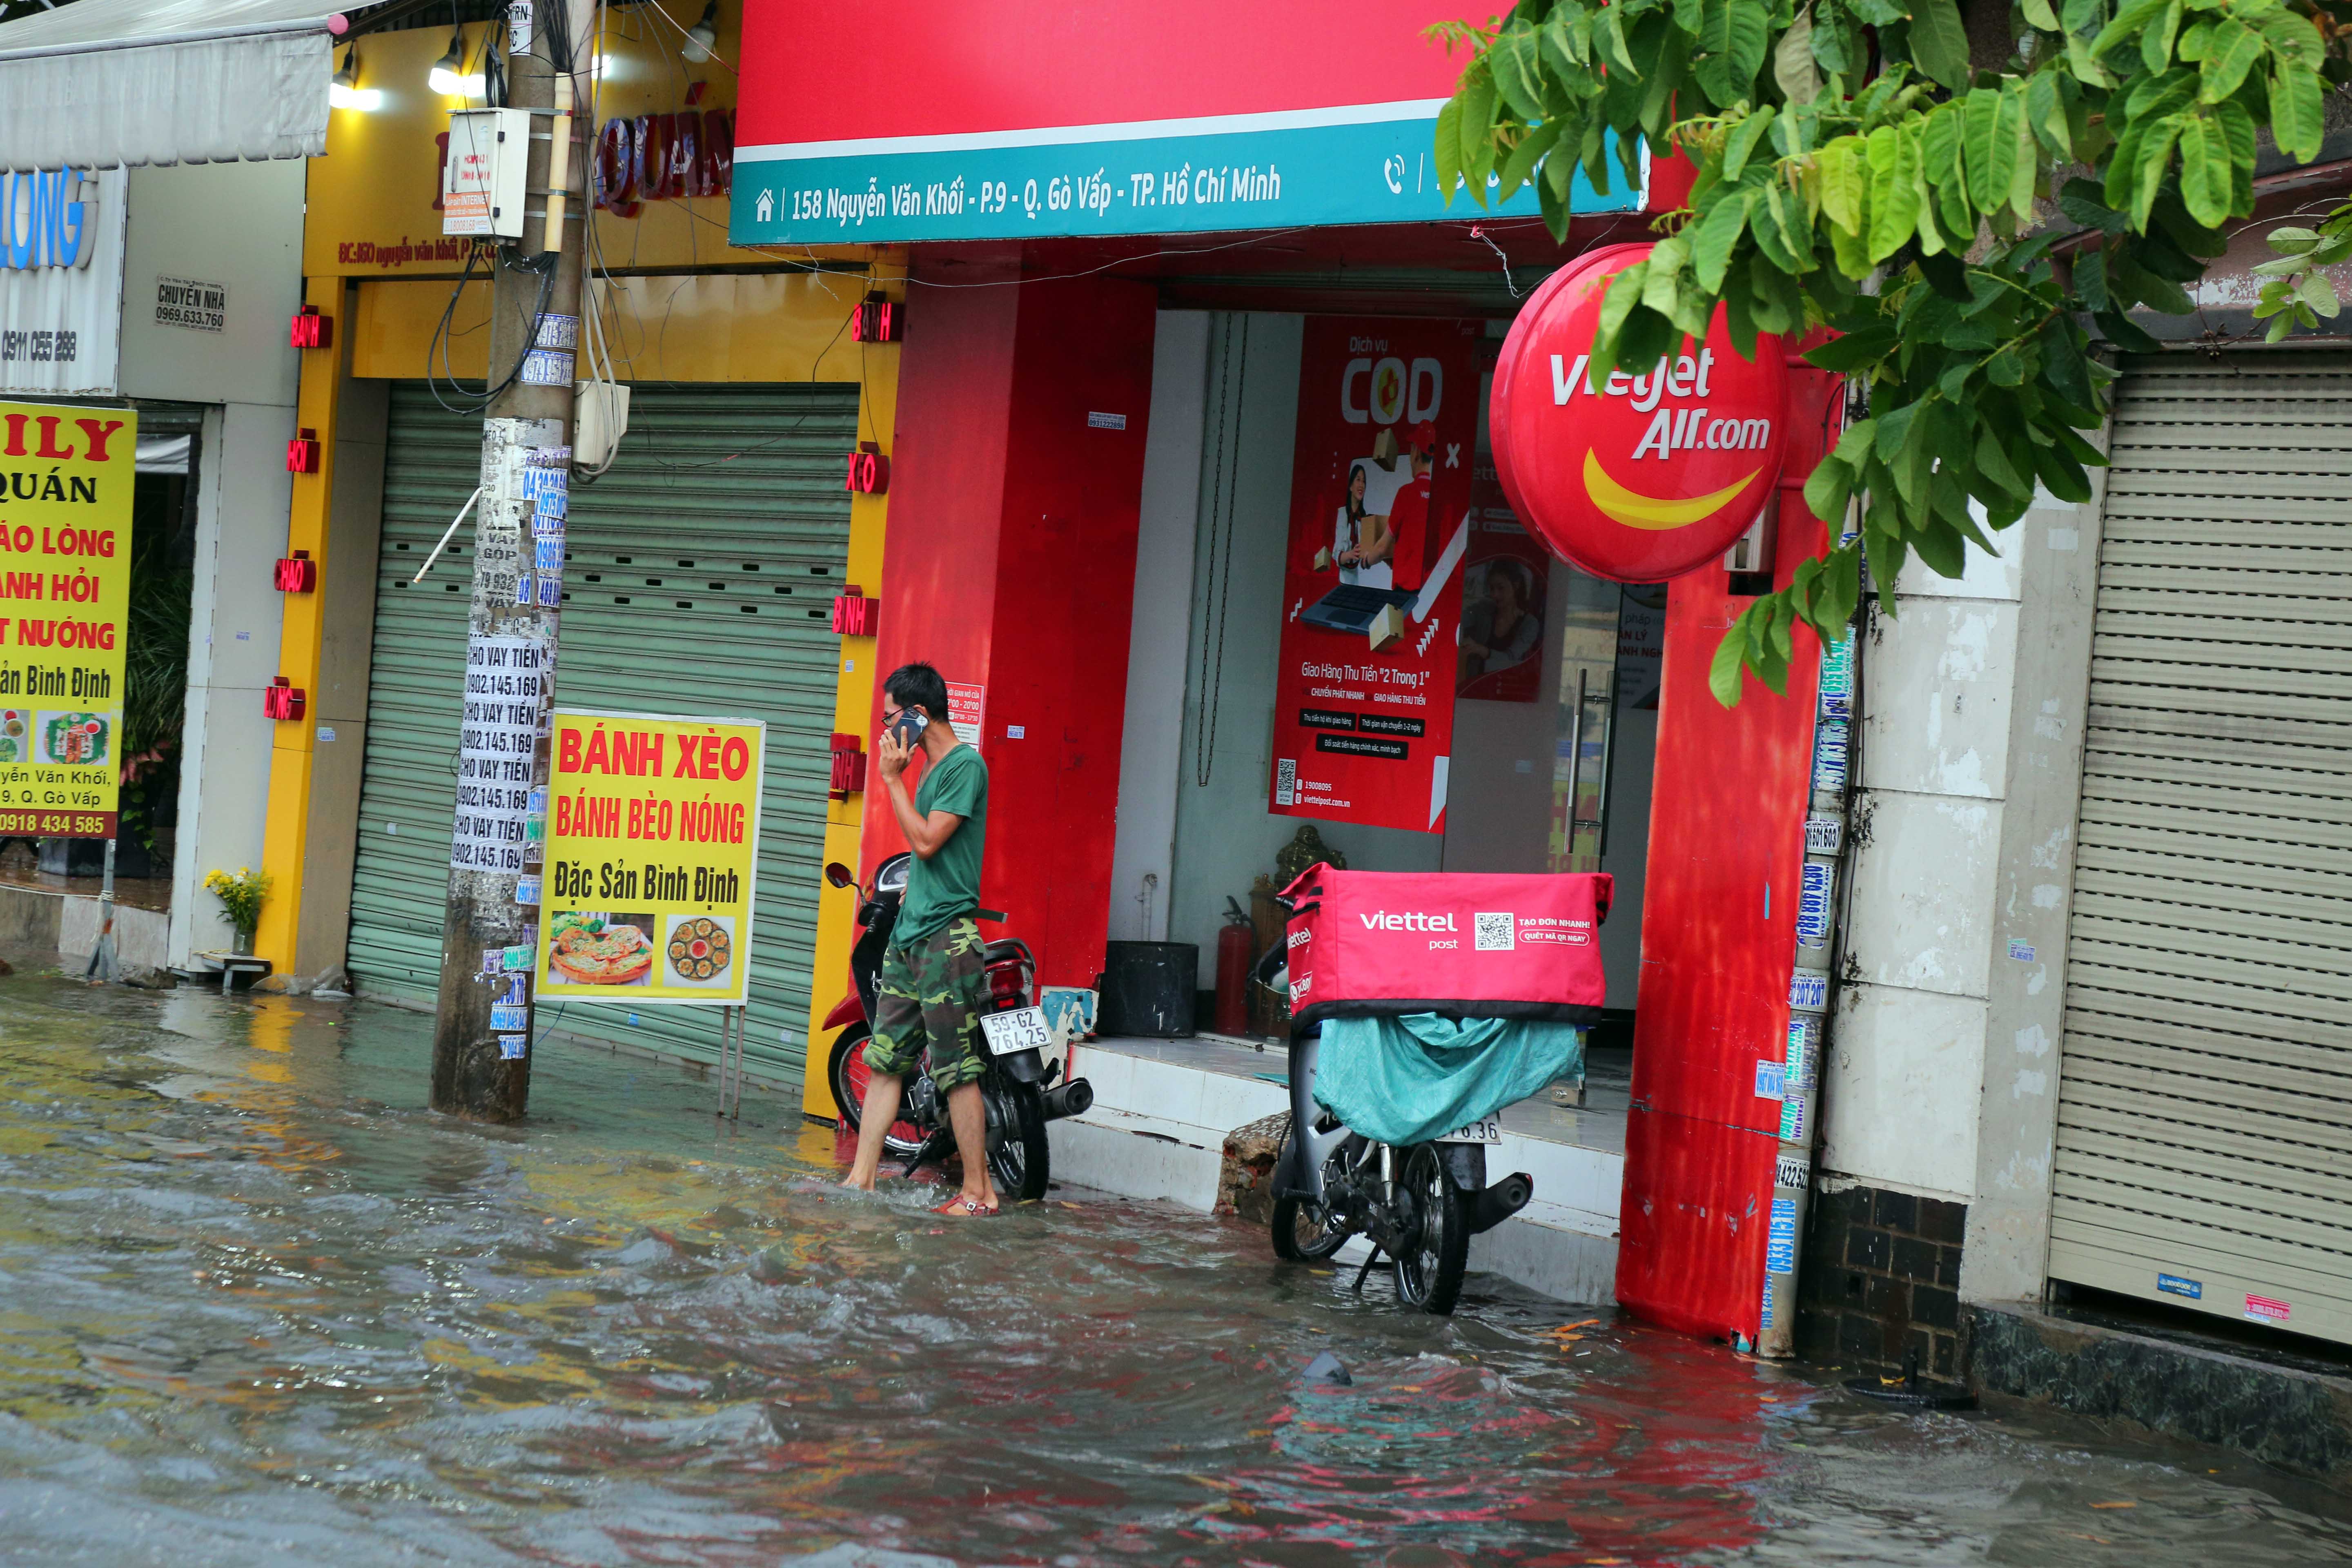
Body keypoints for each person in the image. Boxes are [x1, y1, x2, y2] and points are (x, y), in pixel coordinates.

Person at [842, 662, 999, 1217]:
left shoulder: (963, 766)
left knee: (956, 1068)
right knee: (886, 1059)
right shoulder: (931, 770)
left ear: (916, 714)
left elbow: (930, 841)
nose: (885, 730)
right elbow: (924, 859)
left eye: (889, 716)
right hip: (911, 937)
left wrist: (889, 780)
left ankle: (979, 1192)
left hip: (945, 941)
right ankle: (860, 1179)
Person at [1460, 558, 1542, 688]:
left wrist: (1481, 650)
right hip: (1474, 684)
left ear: (1516, 586)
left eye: (1501, 588)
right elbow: (1460, 620)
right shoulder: (1483, 609)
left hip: (1509, 687)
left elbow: (1511, 660)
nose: (1495, 595)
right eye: (1491, 589)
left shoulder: (1530, 624)